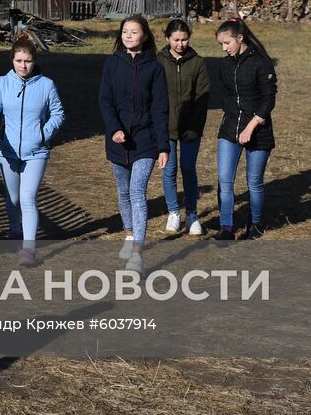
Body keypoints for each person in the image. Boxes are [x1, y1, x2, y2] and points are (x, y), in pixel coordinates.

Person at [0, 35, 65, 265]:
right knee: (13, 198)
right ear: (12, 60)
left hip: (36, 152)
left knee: (28, 198)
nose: (23, 65)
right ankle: (15, 230)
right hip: (7, 152)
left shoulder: (46, 85)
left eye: (27, 60)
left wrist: (43, 135)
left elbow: (58, 114)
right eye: (18, 60)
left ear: (34, 61)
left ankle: (29, 250)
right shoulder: (3, 83)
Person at [98, 15, 169, 274]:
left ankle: (137, 255)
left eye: (134, 32)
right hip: (118, 142)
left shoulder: (155, 67)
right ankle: (129, 235)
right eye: (125, 31)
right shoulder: (112, 64)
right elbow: (105, 100)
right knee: (123, 192)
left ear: (145, 36)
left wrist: (164, 146)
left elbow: (161, 109)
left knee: (137, 192)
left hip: (145, 141)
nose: (128, 36)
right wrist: (114, 128)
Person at [211, 18, 277, 241]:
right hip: (230, 129)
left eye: (227, 43)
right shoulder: (225, 65)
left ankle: (255, 224)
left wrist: (251, 126)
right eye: (221, 44)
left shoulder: (261, 64)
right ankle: (226, 228)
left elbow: (268, 100)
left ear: (240, 38)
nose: (224, 48)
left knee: (254, 181)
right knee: (225, 180)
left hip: (258, 131)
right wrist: (231, 118)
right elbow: (227, 97)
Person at [156, 19, 210, 236]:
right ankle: (173, 212)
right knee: (169, 170)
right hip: (165, 127)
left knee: (188, 168)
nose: (180, 44)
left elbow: (203, 98)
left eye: (185, 39)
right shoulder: (158, 61)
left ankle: (192, 214)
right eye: (176, 39)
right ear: (167, 38)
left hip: (190, 128)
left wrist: (195, 127)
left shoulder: (198, 63)